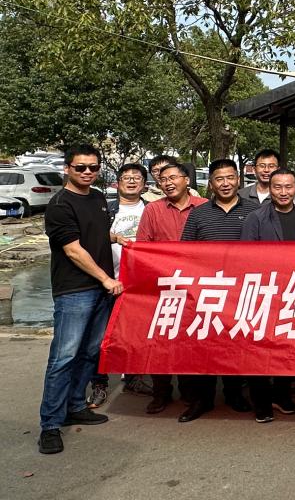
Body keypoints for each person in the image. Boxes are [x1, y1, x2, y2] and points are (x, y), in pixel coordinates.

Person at [37, 145, 122, 455]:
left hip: (100, 291)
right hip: (75, 290)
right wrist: (105, 279)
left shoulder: (98, 198)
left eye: (93, 167)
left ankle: (75, 406)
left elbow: (94, 233)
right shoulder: (59, 205)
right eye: (81, 167)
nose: (88, 172)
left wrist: (117, 238)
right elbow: (73, 250)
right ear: (67, 169)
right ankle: (50, 424)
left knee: (90, 351)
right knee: (64, 357)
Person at [177, 158, 260, 423]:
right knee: (204, 347)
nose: (225, 184)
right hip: (207, 291)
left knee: (236, 345)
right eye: (219, 179)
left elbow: (266, 251)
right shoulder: (199, 213)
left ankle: (234, 395)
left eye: (230, 178)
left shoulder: (255, 210)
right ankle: (202, 400)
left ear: (238, 179)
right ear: (211, 184)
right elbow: (184, 252)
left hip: (241, 292)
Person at [134, 160, 209, 415]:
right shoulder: (152, 210)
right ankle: (161, 392)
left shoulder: (204, 206)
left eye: (173, 177)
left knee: (190, 340)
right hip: (163, 285)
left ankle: (189, 390)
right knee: (160, 341)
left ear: (186, 180)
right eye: (163, 179)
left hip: (196, 286)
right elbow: (143, 248)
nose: (168, 183)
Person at [241, 168, 295, 423]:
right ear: (270, 189)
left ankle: (281, 395)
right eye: (278, 187)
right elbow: (246, 259)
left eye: (288, 187)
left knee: (286, 348)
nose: (283, 192)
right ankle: (262, 402)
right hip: (264, 292)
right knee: (259, 350)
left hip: (294, 292)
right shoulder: (256, 218)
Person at [88, 163, 148, 409]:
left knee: (135, 336)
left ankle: (133, 378)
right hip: (108, 280)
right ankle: (99, 384)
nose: (131, 181)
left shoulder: (152, 210)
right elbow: (89, 237)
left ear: (144, 183)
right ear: (118, 182)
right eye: (126, 177)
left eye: (137, 178)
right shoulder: (104, 209)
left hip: (140, 285)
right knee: (99, 337)